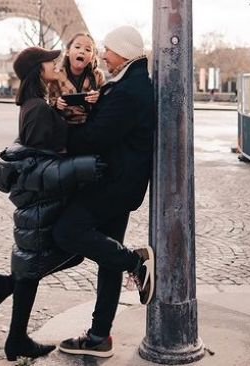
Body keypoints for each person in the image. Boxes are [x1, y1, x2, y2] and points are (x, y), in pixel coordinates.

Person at [0, 46, 106, 361]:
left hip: (43, 202)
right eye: (49, 61)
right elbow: (38, 166)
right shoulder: (38, 108)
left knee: (41, 263)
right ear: (38, 69)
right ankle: (15, 334)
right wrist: (80, 168)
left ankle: (10, 303)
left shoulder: (36, 104)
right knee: (47, 261)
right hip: (42, 202)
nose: (56, 63)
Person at [52, 25, 155, 358]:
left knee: (67, 230)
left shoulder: (127, 90)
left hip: (113, 183)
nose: (103, 57)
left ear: (122, 52)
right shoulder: (128, 84)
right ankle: (99, 337)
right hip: (122, 183)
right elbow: (112, 127)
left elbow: (95, 137)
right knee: (107, 259)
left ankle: (136, 263)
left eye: (107, 50)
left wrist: (57, 134)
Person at [48, 32, 105, 124]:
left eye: (88, 49)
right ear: (67, 52)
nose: (82, 51)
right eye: (77, 47)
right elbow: (50, 101)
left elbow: (106, 102)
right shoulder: (56, 75)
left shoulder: (98, 75)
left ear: (92, 57)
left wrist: (99, 98)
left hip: (91, 126)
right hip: (63, 128)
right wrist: (56, 104)